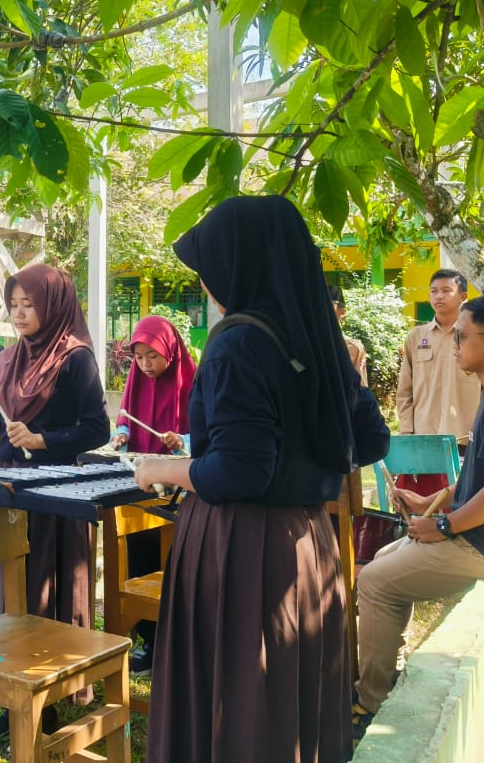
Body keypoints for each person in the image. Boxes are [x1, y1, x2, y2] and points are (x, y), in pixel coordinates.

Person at [133, 196, 389, 763]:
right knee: (284, 699)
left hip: (240, 547)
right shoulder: (318, 339)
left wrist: (159, 468)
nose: (207, 287)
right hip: (308, 549)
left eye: (208, 273)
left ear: (236, 266)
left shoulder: (236, 342)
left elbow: (241, 470)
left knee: (238, 694)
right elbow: (368, 442)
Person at [353, 293, 484, 740]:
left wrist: (444, 525)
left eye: (462, 337)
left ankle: (370, 702)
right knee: (387, 554)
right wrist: (437, 500)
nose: (454, 344)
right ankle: (387, 666)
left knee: (373, 581)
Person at [0, 265, 109, 743]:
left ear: (54, 305)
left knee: (42, 579)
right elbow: (1, 416)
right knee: (6, 576)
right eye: (14, 305)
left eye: (30, 305)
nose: (19, 315)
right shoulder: (8, 356)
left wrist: (43, 440)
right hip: (6, 480)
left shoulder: (76, 357)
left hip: (52, 489)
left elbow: (97, 429)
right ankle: (5, 674)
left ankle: (49, 687)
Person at [109, 315, 196, 673]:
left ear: (170, 352)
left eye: (152, 356)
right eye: (139, 357)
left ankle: (184, 641)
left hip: (184, 487)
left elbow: (207, 430)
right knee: (140, 557)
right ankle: (150, 638)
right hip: (142, 483)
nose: (145, 365)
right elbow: (125, 417)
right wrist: (122, 435)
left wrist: (184, 440)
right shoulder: (136, 377)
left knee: (179, 562)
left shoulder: (193, 377)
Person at [395, 269, 481, 495]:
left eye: (446, 291)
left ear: (463, 296)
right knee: (425, 505)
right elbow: (405, 391)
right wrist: (407, 431)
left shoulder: (477, 336)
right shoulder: (416, 336)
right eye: (433, 291)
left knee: (464, 502)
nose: (438, 296)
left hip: (465, 437)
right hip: (424, 438)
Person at [328, 285, 368, 386]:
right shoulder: (304, 344)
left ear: (342, 312)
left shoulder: (354, 348)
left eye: (329, 307)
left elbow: (362, 388)